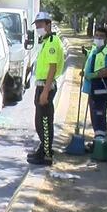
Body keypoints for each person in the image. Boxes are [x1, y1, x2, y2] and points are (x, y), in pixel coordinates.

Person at [27, 12, 65, 166]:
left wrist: (45, 91)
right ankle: (43, 149)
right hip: (42, 85)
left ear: (48, 25)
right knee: (39, 121)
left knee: (44, 122)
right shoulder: (46, 41)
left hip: (46, 86)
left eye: (41, 25)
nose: (38, 28)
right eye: (36, 25)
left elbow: (52, 68)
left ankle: (47, 155)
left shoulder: (52, 42)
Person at [81, 27, 107, 150]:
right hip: (93, 88)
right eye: (96, 35)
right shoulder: (95, 48)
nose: (98, 38)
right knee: (94, 115)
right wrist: (86, 54)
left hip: (102, 88)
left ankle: (100, 144)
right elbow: (95, 60)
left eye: (101, 36)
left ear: (106, 38)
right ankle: (98, 141)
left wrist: (94, 75)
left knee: (99, 115)